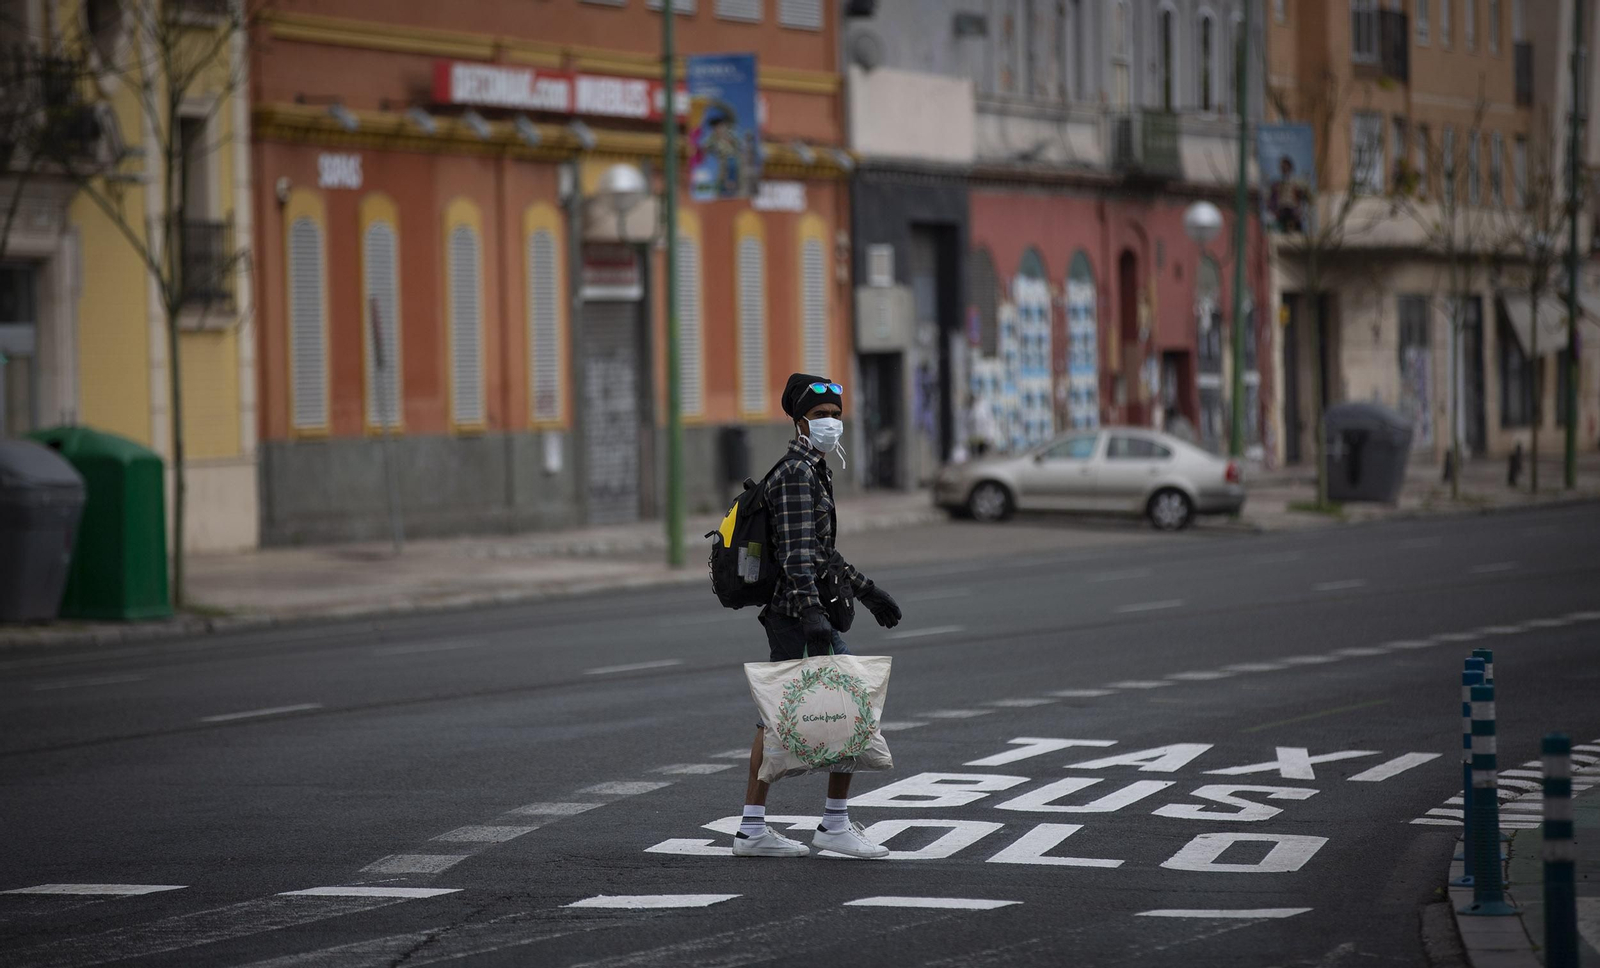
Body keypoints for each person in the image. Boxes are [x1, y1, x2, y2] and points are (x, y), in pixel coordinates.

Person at [733, 373, 904, 859]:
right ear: (800, 420)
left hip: (801, 612)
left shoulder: (815, 469)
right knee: (849, 710)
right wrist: (811, 612)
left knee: (782, 719)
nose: (832, 424)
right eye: (822, 416)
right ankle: (827, 825)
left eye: (836, 416)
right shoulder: (795, 474)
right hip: (796, 615)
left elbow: (822, 553)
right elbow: (796, 557)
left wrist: (868, 592)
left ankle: (756, 828)